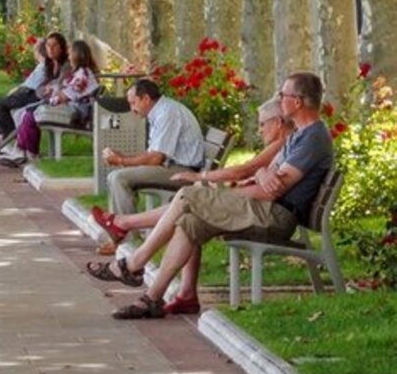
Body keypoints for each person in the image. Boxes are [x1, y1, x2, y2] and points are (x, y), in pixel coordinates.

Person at [89, 72, 334, 319]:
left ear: (298, 101)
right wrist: (261, 173)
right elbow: (264, 175)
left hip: (274, 216)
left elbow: (273, 190)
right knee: (189, 222)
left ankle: (133, 263)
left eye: (284, 95)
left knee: (187, 195)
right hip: (263, 210)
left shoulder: (312, 138)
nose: (280, 99)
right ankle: (152, 298)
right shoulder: (300, 136)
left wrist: (246, 182)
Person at [91, 98, 295, 254]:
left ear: (277, 123)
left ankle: (128, 237)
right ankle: (180, 292)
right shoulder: (284, 145)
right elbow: (252, 171)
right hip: (255, 203)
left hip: (266, 213)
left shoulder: (281, 144)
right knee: (188, 214)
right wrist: (255, 174)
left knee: (186, 197)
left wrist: (202, 177)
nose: (259, 131)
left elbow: (245, 171)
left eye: (262, 124)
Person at [101, 79, 206, 217]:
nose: (132, 109)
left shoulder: (167, 113)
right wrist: (123, 158)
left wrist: (121, 160)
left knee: (118, 178)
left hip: (184, 172)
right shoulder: (162, 111)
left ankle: (127, 233)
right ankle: (123, 230)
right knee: (115, 177)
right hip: (173, 168)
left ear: (146, 99)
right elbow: (154, 156)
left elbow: (156, 158)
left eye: (133, 103)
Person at [0, 40, 100, 167]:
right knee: (29, 114)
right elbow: (66, 91)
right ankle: (22, 150)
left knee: (30, 114)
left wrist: (50, 99)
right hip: (73, 108)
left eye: (70, 53)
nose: (68, 56)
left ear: (77, 55)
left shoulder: (82, 75)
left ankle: (29, 152)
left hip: (76, 112)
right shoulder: (81, 72)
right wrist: (54, 91)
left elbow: (65, 96)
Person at [0, 33, 68, 147]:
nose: (50, 49)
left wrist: (51, 89)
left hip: (39, 99)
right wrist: (44, 89)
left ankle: (5, 138)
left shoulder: (65, 66)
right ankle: (5, 137)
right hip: (32, 94)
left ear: (62, 47)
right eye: (48, 45)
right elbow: (41, 87)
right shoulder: (48, 64)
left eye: (54, 46)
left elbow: (61, 86)